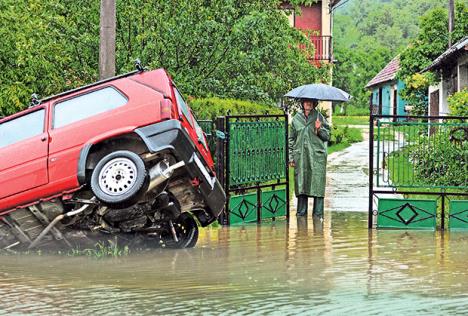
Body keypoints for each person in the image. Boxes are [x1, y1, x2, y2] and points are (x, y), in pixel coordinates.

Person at [288, 99, 330, 218]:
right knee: (301, 184)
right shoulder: (296, 119)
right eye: (306, 102)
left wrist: (319, 128)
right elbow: (291, 139)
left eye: (311, 102)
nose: (308, 104)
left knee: (317, 184)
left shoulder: (319, 117)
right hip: (300, 157)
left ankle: (318, 215)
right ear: (302, 103)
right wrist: (291, 157)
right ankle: (301, 215)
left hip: (317, 157)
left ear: (314, 103)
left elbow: (327, 136)